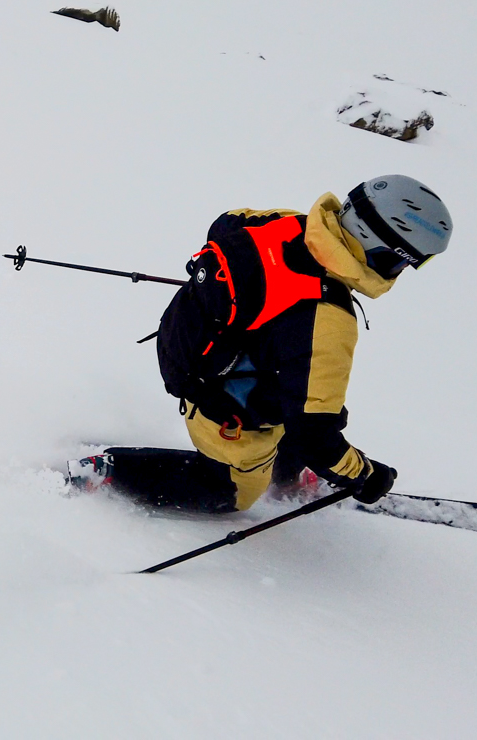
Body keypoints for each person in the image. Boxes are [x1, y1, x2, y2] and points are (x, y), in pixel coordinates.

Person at [67, 175, 453, 512]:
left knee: (304, 388)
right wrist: (364, 476)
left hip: (182, 337)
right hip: (216, 395)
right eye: (407, 262)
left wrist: (254, 291)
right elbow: (313, 434)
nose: (403, 271)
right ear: (382, 249)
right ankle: (108, 472)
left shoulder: (290, 223)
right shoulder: (327, 318)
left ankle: (283, 475)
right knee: (230, 491)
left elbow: (225, 225)